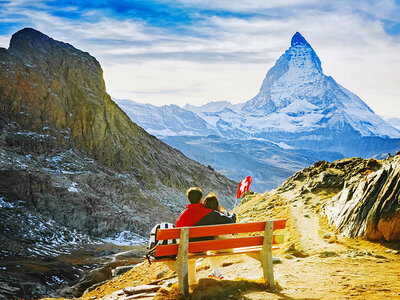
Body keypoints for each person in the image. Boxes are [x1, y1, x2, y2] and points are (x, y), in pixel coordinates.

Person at [175, 187, 236, 284]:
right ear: (201, 199)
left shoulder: (183, 215)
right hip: (205, 248)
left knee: (190, 260)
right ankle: (216, 271)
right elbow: (229, 222)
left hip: (188, 249)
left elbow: (177, 233)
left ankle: (193, 283)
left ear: (188, 199)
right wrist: (232, 215)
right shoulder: (210, 212)